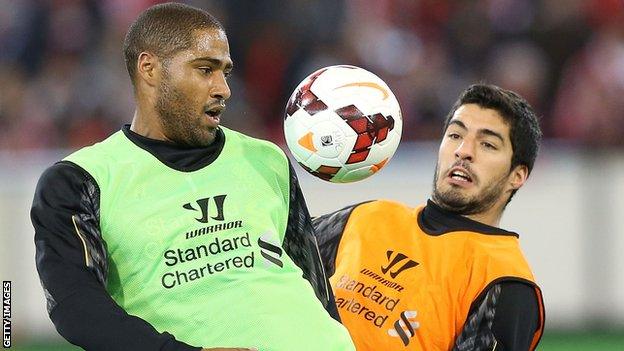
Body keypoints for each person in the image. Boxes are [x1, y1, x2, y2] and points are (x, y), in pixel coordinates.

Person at [30, 3, 355, 351]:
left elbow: (314, 287)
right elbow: (74, 306)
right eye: (205, 70)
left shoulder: (266, 159)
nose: (223, 89)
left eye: (225, 73)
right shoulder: (79, 181)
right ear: (149, 68)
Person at [313, 84, 545, 350]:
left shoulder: (503, 279)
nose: (464, 151)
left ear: (517, 176)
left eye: (488, 144)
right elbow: (275, 268)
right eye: (456, 135)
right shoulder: (366, 217)